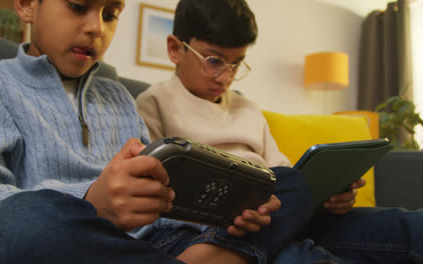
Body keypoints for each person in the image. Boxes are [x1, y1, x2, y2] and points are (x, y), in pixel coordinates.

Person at [0, 0, 314, 263]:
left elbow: (161, 188)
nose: (97, 28)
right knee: (12, 223)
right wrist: (92, 200)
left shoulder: (119, 96)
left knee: (290, 183)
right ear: (26, 5)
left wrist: (228, 209)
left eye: (111, 14)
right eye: (79, 6)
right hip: (85, 244)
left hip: (168, 239)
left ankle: (213, 250)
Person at [136, 0, 423, 263]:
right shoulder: (153, 103)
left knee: (408, 225)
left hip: (286, 215)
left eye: (236, 63)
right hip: (222, 229)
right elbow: (156, 196)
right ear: (175, 49)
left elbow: (286, 177)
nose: (226, 76)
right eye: (214, 61)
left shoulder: (248, 108)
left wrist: (329, 196)